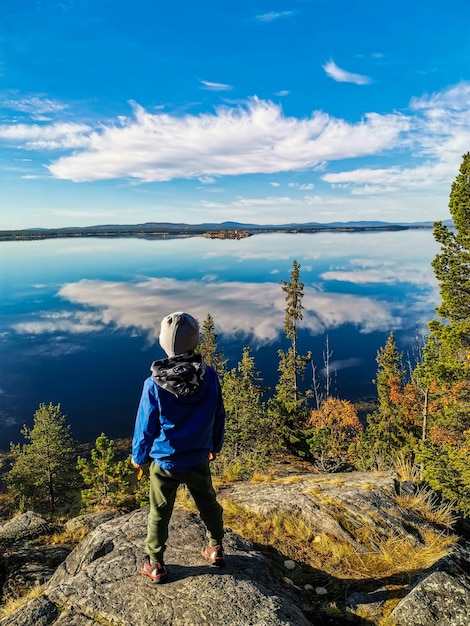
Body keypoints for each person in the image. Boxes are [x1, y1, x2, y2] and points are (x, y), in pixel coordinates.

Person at [131, 311, 225, 583]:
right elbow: (218, 414)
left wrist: (139, 456)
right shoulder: (209, 377)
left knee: (159, 513)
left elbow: (145, 426)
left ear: (163, 343)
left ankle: (155, 563)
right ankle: (215, 547)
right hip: (198, 457)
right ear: (195, 341)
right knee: (208, 504)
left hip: (165, 462)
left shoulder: (153, 385)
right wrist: (214, 445)